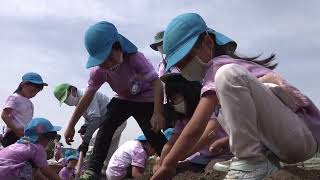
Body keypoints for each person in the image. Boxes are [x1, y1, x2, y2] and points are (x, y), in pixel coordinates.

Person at [151, 13, 320, 180]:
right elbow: (245, 118)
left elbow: (197, 127)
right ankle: (253, 159)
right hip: (283, 146)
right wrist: (227, 142)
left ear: (208, 43)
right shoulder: (215, 82)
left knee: (227, 75)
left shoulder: (220, 67)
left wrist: (169, 164)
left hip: (301, 136)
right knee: (223, 105)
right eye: (179, 65)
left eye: (186, 59)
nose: (184, 68)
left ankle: (251, 160)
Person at [63, 21, 168, 179]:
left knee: (153, 134)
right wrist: (71, 125)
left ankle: (171, 162)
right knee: (105, 128)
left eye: (110, 58)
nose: (108, 65)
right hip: (123, 99)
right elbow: (86, 98)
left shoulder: (135, 59)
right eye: (102, 61)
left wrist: (157, 113)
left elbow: (157, 84)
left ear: (118, 46)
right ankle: (92, 170)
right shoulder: (99, 71)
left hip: (146, 99)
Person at [153, 74, 232, 173]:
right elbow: (171, 143)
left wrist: (185, 153)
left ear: (189, 93)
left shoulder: (208, 108)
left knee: (214, 167)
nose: (174, 104)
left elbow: (209, 133)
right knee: (179, 167)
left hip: (224, 152)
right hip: (203, 157)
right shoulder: (182, 120)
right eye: (172, 100)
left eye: (176, 98)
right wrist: (162, 161)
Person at [54, 83, 126, 170]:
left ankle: (88, 171)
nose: (67, 102)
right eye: (64, 101)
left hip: (115, 120)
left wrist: (85, 143)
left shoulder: (86, 94)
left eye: (66, 98)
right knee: (109, 156)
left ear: (73, 90)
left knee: (94, 143)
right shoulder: (79, 102)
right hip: (116, 122)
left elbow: (95, 119)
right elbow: (91, 118)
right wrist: (85, 126)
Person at [1, 72, 47, 147]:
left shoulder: (29, 103)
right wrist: (16, 130)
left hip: (24, 135)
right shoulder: (14, 98)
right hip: (13, 134)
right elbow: (4, 115)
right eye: (32, 91)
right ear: (23, 85)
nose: (33, 94)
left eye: (36, 93)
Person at [106, 128, 173, 180]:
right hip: (119, 175)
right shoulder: (140, 151)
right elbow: (135, 174)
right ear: (148, 144)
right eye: (155, 149)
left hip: (112, 173)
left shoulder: (133, 143)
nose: (155, 153)